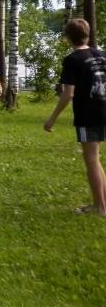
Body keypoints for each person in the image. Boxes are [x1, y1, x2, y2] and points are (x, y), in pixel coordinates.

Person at [44, 18, 106, 216]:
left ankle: (100, 207)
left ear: (68, 37)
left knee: (91, 159)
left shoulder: (72, 60)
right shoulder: (102, 55)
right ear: (88, 34)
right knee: (96, 159)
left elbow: (68, 94)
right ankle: (102, 203)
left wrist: (52, 118)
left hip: (89, 114)